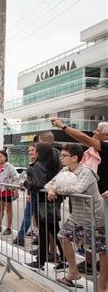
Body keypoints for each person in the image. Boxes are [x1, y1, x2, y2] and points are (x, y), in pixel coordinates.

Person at [51, 118, 108, 275]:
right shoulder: (89, 154)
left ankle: (102, 284)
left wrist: (63, 126)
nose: (94, 132)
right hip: (86, 203)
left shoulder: (103, 147)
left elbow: (84, 138)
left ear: (106, 135)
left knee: (102, 247)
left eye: (97, 130)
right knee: (88, 240)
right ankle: (88, 264)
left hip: (100, 204)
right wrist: (52, 188)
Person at [45, 144, 106, 290]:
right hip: (77, 216)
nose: (61, 158)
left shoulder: (86, 172)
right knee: (62, 236)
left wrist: (56, 189)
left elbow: (77, 188)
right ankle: (73, 272)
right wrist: (52, 188)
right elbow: (48, 184)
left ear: (74, 158)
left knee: (102, 252)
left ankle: (102, 285)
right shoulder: (65, 170)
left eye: (64, 156)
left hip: (95, 217)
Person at [23, 143, 64, 271]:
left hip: (41, 203)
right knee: (55, 232)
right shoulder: (54, 165)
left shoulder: (38, 166)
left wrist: (25, 183)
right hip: (52, 203)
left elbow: (38, 185)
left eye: (36, 150)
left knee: (44, 233)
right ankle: (64, 259)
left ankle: (40, 262)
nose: (33, 152)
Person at [13, 143, 37, 246]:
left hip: (33, 193)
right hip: (34, 192)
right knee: (34, 216)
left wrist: (29, 193)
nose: (31, 152)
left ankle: (21, 237)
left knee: (28, 215)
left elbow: (33, 180)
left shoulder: (37, 164)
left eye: (33, 150)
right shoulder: (33, 162)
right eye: (29, 150)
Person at [0, 150, 19, 235]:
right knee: (0, 209)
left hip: (7, 191)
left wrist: (15, 188)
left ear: (5, 157)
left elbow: (16, 177)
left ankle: (8, 228)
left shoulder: (9, 166)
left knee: (8, 210)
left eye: (0, 156)